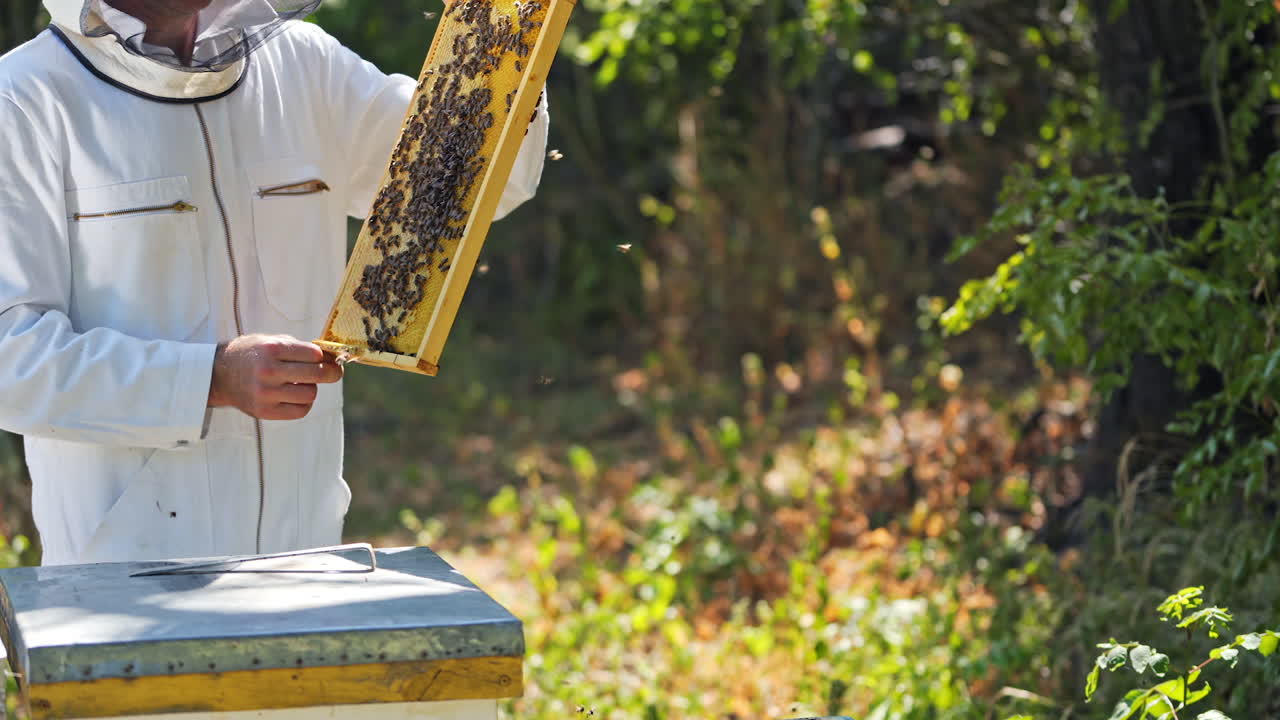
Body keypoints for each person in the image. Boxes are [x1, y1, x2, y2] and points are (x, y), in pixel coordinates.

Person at [0, 0, 550, 565]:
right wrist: (208, 379)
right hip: (123, 572)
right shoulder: (22, 100)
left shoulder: (304, 64)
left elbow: (472, 179)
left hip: (304, 548)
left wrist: (514, 42)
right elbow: (9, 360)